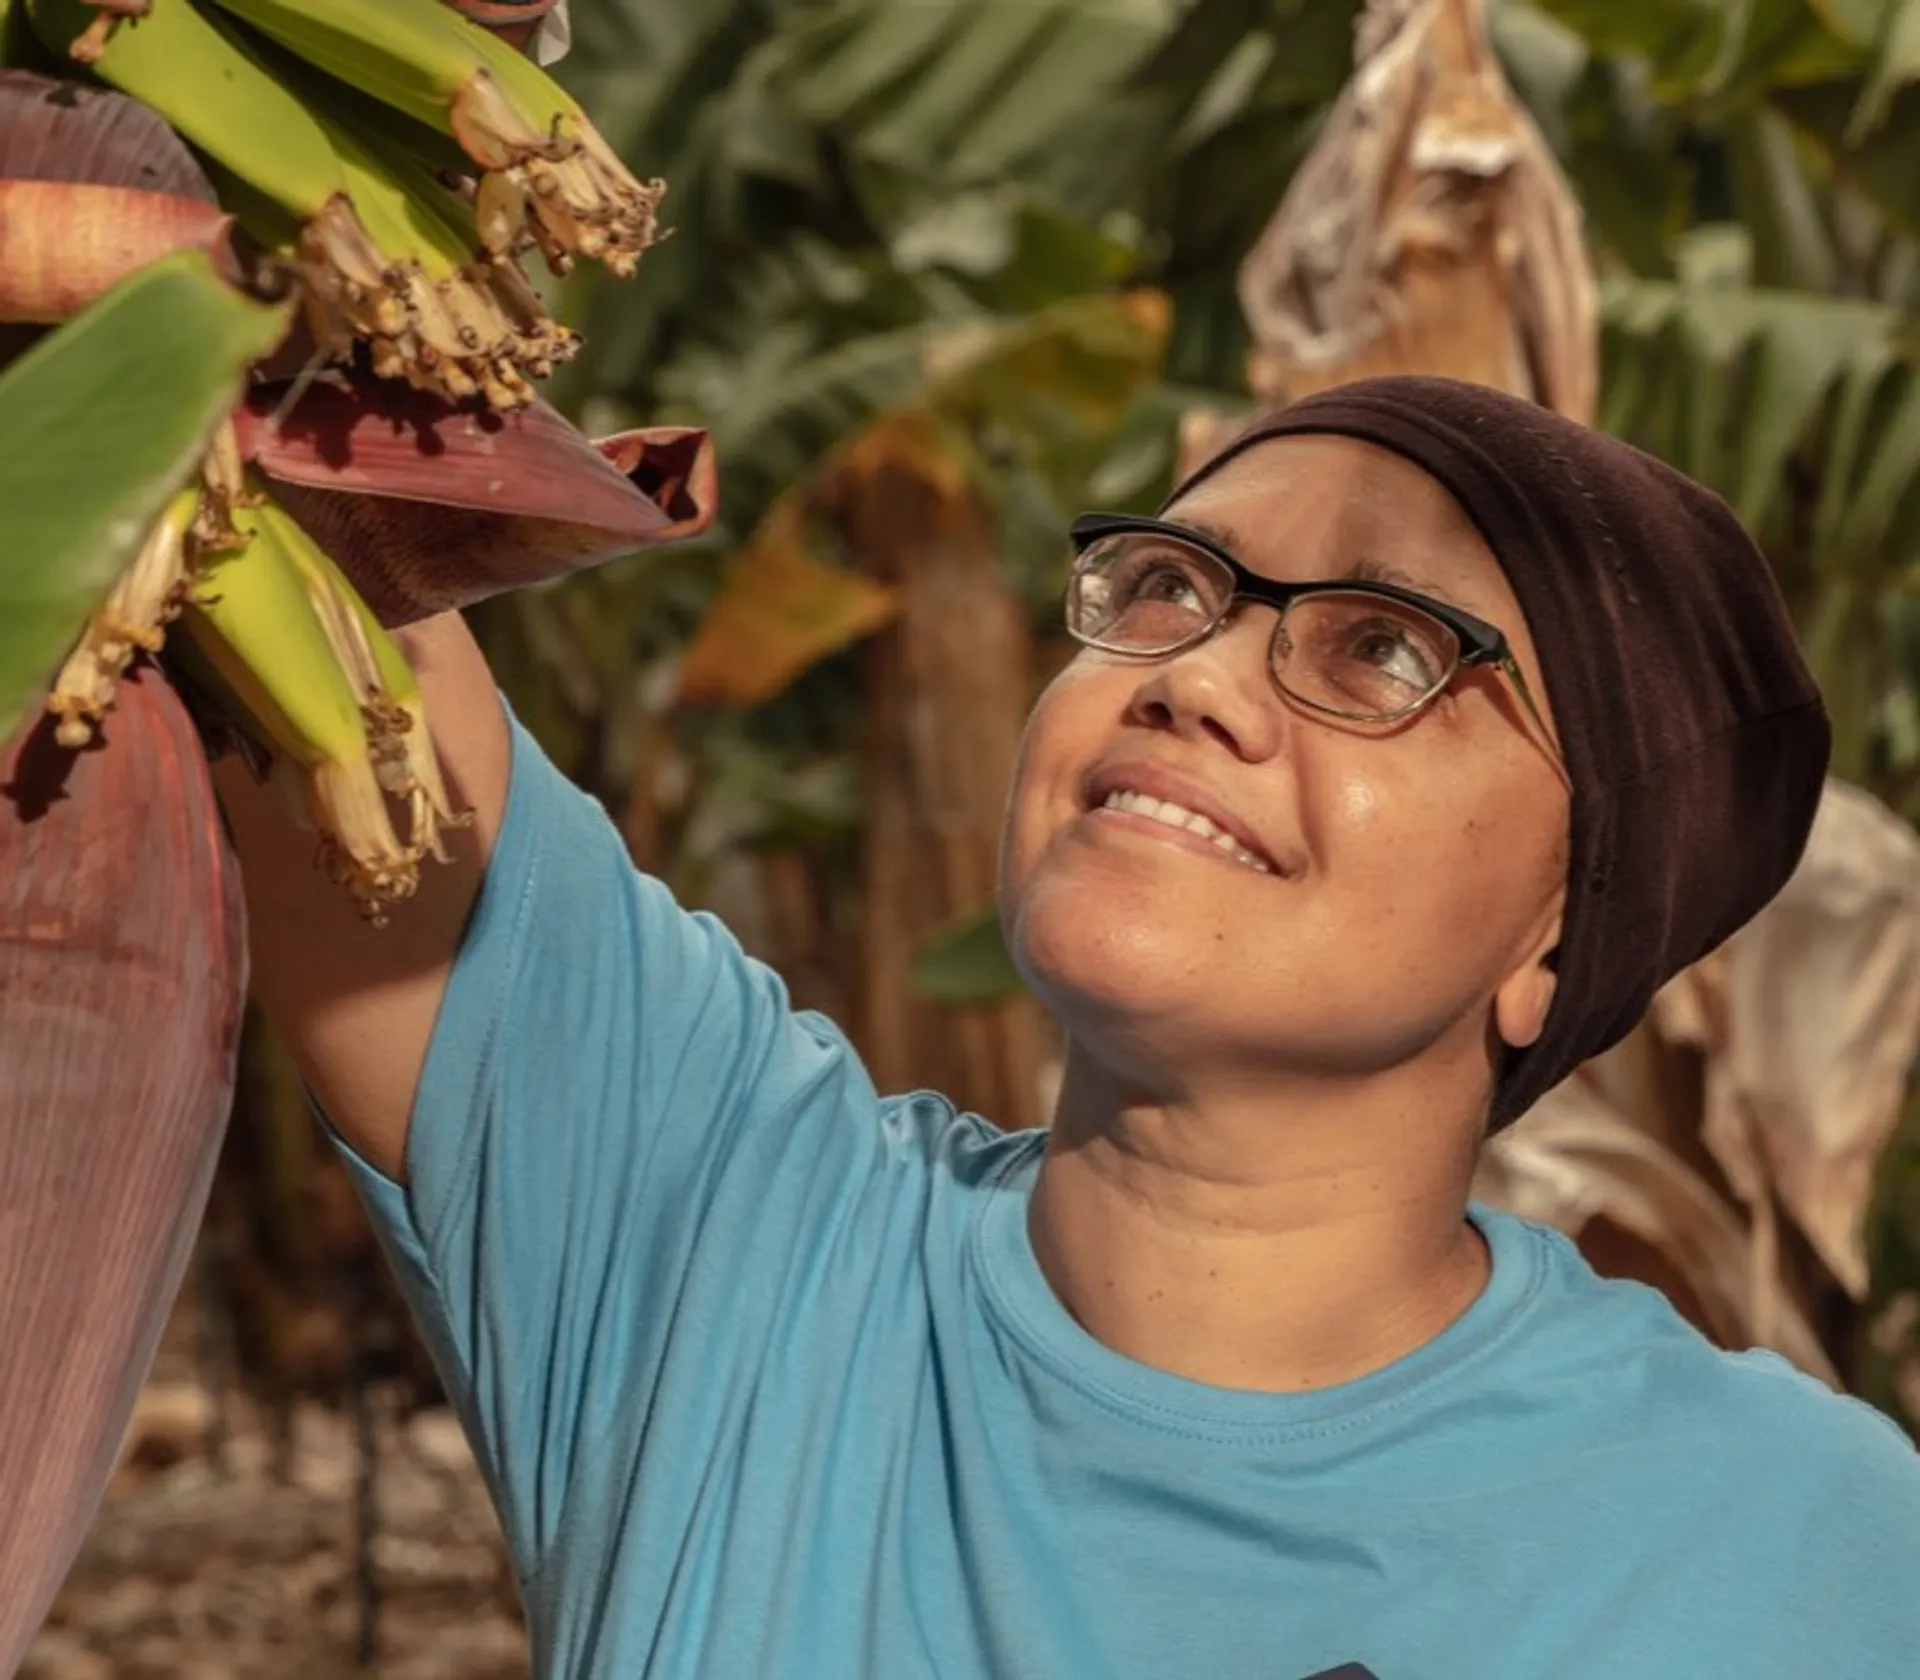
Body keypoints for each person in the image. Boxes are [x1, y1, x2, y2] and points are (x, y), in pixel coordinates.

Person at [214, 375, 1920, 1678]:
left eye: (1386, 645)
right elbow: (279, 538)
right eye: (1175, 583)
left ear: (1559, 933)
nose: (1198, 675)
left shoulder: (1811, 1549)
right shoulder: (716, 1238)